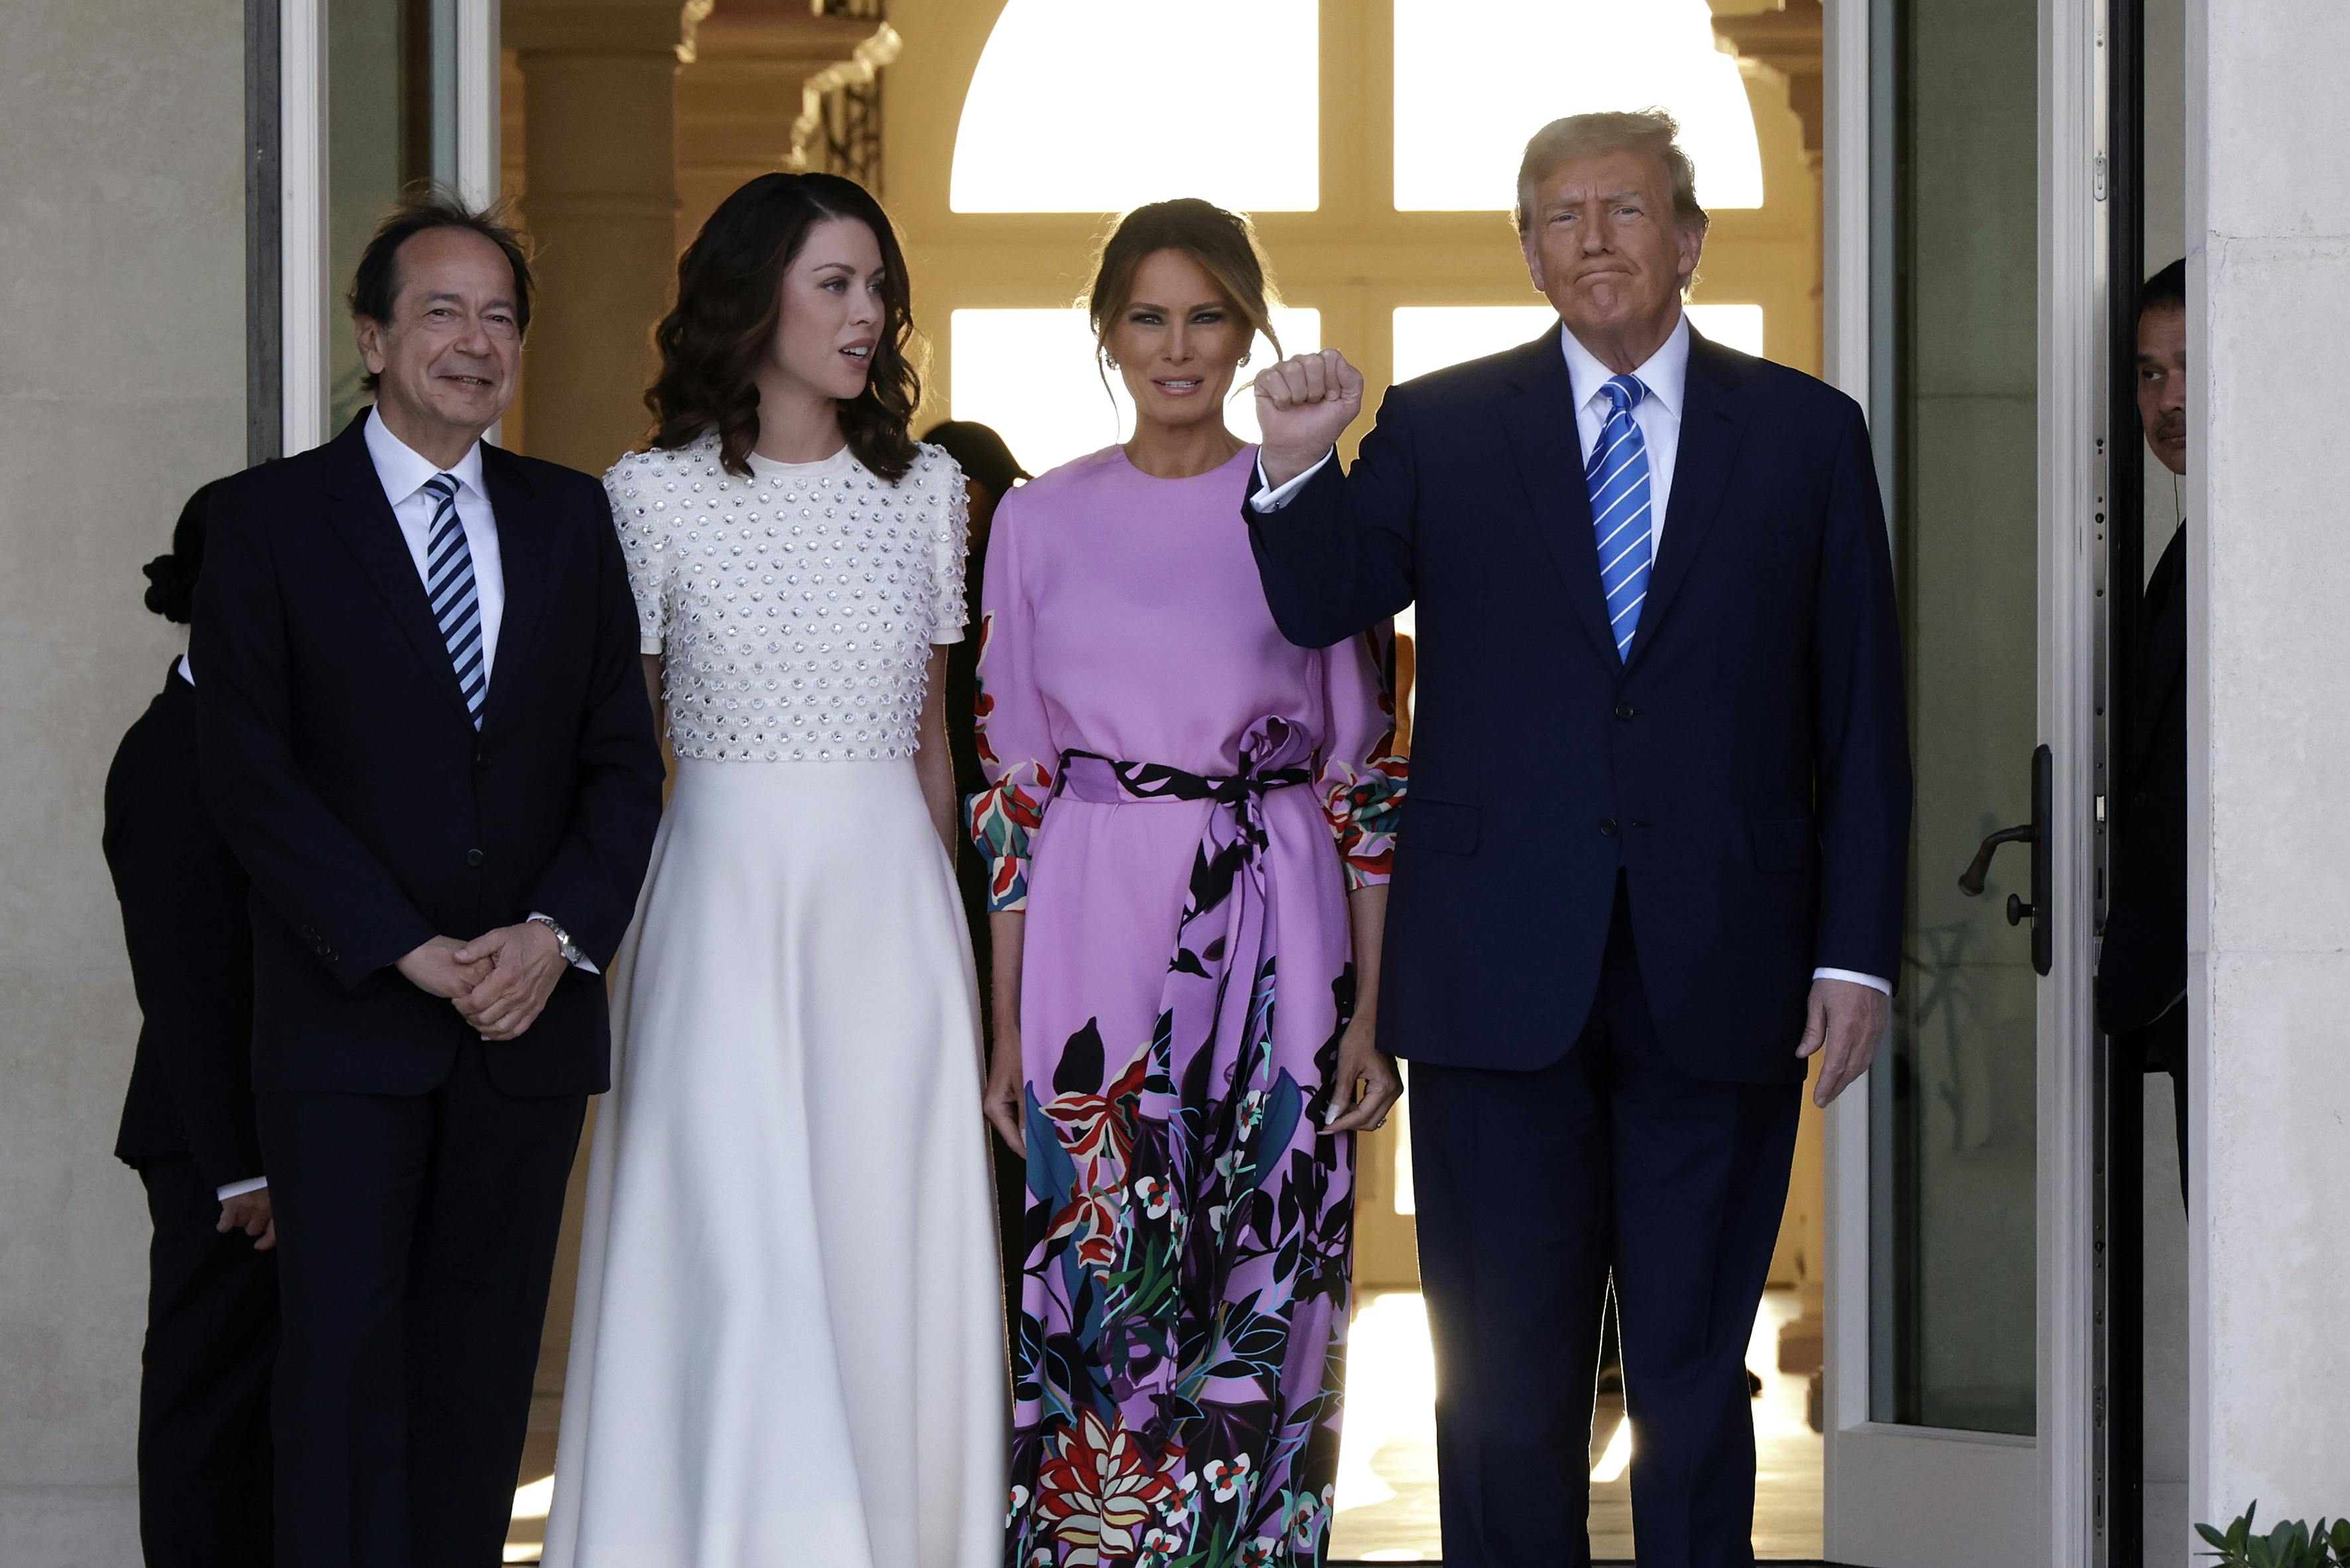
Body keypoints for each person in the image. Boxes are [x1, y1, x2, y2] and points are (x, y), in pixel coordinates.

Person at [1246, 111, 1910, 1568]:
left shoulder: (1804, 434)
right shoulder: (1440, 424)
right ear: (1527, 250)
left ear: (1687, 240)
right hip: (1494, 978)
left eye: (1624, 207)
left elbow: (1857, 709)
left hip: (1722, 965)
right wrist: (1297, 468)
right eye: (1559, 213)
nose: (1592, 235)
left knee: (1687, 1382)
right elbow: (1318, 604)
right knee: (1497, 1396)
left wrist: (1853, 953)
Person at [191, 192, 665, 1566]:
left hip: (527, 1026)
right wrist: (402, 946)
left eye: (500, 316)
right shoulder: (268, 521)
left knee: (478, 1381)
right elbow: (249, 779)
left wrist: (555, 936)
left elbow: (621, 768)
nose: (476, 341)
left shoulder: (574, 521)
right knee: (337, 1372)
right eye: (442, 311)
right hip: (349, 1028)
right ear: (373, 337)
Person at [543, 172, 1004, 1568]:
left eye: (878, 289)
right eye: (834, 285)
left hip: (890, 919)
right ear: (753, 300)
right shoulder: (647, 498)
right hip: (717, 904)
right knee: (732, 1247)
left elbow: (933, 749)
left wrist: (968, 971)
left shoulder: (927, 493)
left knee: (879, 1243)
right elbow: (616, 754)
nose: (866, 315)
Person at [976, 198, 1407, 1568]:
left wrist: (1367, 1017)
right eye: (1149, 317)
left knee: (1269, 1289)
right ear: (1105, 334)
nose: (1179, 347)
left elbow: (1365, 783)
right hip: (1091, 946)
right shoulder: (1038, 522)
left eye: (1207, 315)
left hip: (1279, 932)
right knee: (1102, 1282)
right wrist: (1000, 1026)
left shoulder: (1297, 509)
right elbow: (1010, 795)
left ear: (1246, 330)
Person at [105, 480, 277, 1567]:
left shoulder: (267, 731)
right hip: (216, 1142)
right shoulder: (172, 747)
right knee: (205, 1407)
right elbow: (179, 976)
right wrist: (239, 1170)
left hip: (274, 1133)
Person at [919, 417, 1030, 1327]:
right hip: (932, 862)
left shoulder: (1020, 593)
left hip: (1014, 866)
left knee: (1008, 1096)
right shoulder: (913, 589)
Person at [2097, 258, 2190, 1201]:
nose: (2168, 399)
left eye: (2188, 365)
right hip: (2186, 994)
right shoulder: (2187, 550)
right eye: (2148, 372)